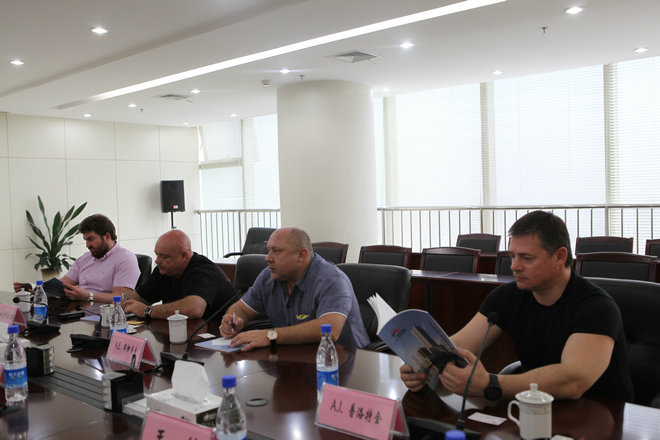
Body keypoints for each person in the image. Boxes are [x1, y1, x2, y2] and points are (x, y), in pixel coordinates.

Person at [400, 210, 634, 402]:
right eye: (512, 256)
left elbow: (573, 381)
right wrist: (425, 365)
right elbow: (459, 345)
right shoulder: (507, 296)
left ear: (560, 256)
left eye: (527, 258)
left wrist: (491, 383)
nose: (514, 266)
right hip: (535, 406)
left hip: (601, 414)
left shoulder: (596, 307)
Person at [219, 227, 369, 351]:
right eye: (268, 250)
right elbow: (242, 309)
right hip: (296, 357)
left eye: (276, 251)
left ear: (301, 255)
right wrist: (234, 319)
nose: (268, 258)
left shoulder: (331, 280)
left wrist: (270, 335)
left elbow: (329, 329)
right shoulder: (269, 276)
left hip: (346, 360)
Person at [14, 214, 140, 304]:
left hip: (104, 314)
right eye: (85, 240)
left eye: (91, 239)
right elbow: (62, 285)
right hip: (78, 309)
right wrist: (33, 288)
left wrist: (89, 296)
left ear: (107, 237)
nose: (87, 245)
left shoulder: (125, 259)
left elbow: (121, 298)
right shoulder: (85, 258)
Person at [122, 229, 236, 320]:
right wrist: (119, 302)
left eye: (164, 256)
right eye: (157, 255)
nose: (157, 261)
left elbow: (193, 309)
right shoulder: (163, 269)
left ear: (184, 256)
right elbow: (141, 297)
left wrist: (148, 311)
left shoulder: (203, 270)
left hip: (218, 332)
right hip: (182, 331)